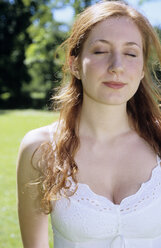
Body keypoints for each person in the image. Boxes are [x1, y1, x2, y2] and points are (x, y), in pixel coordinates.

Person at [17, 0, 161, 247]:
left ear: (140, 70)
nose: (117, 66)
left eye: (130, 53)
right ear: (74, 65)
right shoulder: (39, 149)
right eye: (101, 51)